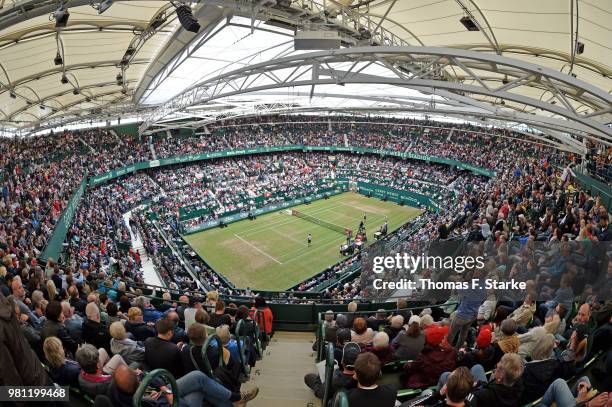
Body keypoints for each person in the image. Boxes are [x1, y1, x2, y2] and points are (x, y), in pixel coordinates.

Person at [106, 364, 259, 407]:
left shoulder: (119, 384)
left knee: (198, 377)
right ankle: (236, 400)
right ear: (136, 386)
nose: (137, 374)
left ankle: (236, 399)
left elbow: (147, 375)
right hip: (172, 403)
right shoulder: (137, 401)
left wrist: (163, 389)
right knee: (201, 388)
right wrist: (166, 397)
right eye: (136, 377)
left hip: (166, 392)